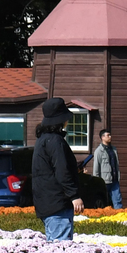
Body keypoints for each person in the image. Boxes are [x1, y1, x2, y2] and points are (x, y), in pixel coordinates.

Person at [33, 97, 85, 240]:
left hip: (46, 202)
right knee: (61, 249)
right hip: (58, 204)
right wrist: (74, 196)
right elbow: (62, 171)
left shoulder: (42, 139)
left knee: (54, 248)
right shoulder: (55, 141)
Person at [91, 129, 121, 209]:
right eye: (108, 135)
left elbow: (116, 164)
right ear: (102, 137)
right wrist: (96, 181)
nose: (110, 137)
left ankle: (120, 218)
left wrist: (118, 176)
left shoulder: (114, 149)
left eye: (110, 135)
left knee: (117, 200)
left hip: (114, 179)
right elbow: (96, 167)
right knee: (104, 201)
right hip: (104, 181)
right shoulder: (99, 151)